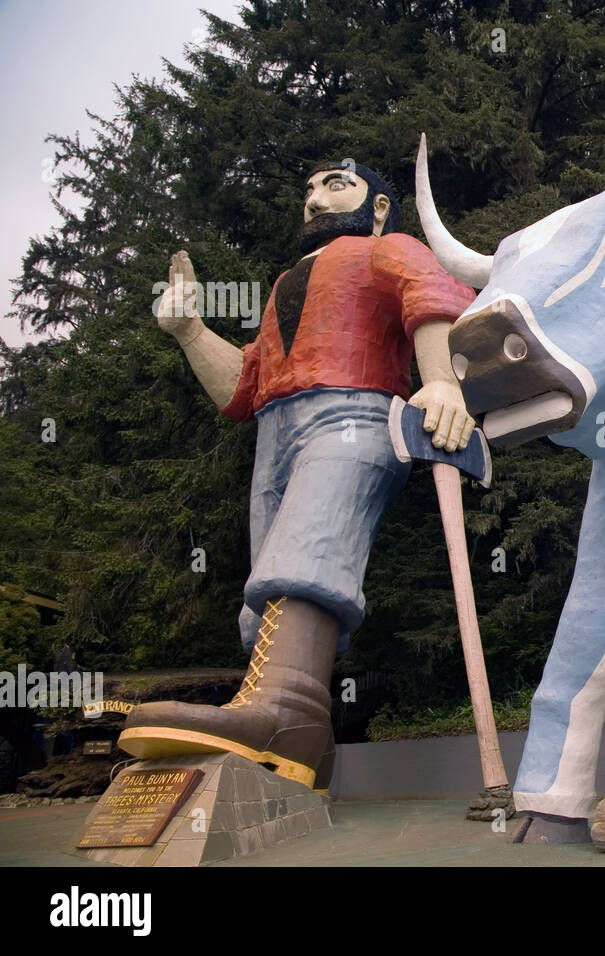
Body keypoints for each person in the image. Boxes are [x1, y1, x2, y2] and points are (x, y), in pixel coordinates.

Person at [119, 160, 476, 788]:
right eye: (307, 189)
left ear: (382, 206)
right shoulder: (286, 283)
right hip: (275, 428)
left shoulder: (388, 247)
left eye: (334, 185)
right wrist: (190, 331)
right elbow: (241, 385)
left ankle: (285, 711)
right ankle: (297, 737)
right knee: (270, 570)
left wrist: (443, 382)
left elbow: (432, 299)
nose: (313, 200)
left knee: (313, 540)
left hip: (354, 411)